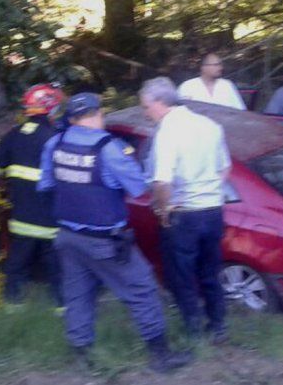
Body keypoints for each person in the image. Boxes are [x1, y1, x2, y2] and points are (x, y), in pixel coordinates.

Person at [37, 92, 192, 373]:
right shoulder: (108, 148)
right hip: (105, 242)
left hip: (68, 238)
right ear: (97, 115)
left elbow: (46, 185)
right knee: (142, 288)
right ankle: (161, 357)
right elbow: (137, 188)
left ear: (71, 119)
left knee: (78, 296)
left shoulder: (54, 144)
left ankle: (83, 359)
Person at [141, 77, 231, 344]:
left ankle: (193, 330)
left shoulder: (168, 132)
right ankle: (218, 326)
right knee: (210, 272)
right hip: (213, 210)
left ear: (159, 103)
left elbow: (161, 180)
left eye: (146, 107)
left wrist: (163, 208)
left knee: (180, 274)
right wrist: (209, 189)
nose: (146, 113)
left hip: (184, 213)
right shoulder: (210, 126)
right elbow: (224, 167)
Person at [0, 83, 64, 308]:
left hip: (21, 218)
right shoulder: (55, 138)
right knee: (55, 265)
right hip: (50, 219)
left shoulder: (13, 135)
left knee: (17, 263)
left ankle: (13, 306)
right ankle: (62, 307)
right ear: (50, 109)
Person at [177, 53, 246, 110]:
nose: (220, 68)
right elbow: (179, 113)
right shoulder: (187, 86)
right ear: (203, 67)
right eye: (216, 65)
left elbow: (240, 110)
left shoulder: (227, 85)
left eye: (220, 64)